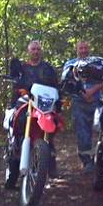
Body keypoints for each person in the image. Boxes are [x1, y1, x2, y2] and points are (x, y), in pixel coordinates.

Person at [8, 40, 60, 179]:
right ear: (28, 51)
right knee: (18, 128)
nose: (36, 52)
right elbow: (16, 85)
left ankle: (50, 163)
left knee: (50, 129)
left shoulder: (48, 69)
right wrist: (21, 91)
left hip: (45, 105)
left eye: (38, 49)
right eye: (33, 49)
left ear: (41, 51)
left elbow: (56, 86)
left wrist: (59, 102)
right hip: (27, 103)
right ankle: (13, 169)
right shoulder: (22, 69)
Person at [61, 41, 103, 173]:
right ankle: (87, 161)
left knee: (102, 128)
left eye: (85, 48)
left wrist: (92, 91)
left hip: (97, 100)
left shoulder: (98, 63)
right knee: (82, 132)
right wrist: (83, 93)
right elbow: (66, 82)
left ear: (89, 49)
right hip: (78, 101)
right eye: (80, 48)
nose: (83, 50)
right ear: (76, 50)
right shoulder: (70, 64)